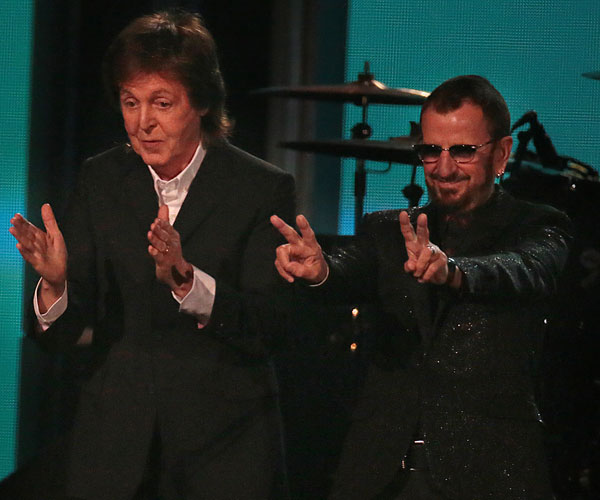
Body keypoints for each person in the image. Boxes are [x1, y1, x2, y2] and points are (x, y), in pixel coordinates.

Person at [10, 10, 295, 500]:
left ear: (202, 101)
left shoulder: (261, 189)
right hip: (114, 449)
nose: (143, 123)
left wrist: (188, 281)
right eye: (130, 102)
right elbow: (61, 337)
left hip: (224, 449)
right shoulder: (102, 179)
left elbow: (271, 328)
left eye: (162, 103)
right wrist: (57, 287)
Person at [271, 75, 572, 499]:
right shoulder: (390, 230)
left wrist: (454, 271)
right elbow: (344, 274)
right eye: (431, 151)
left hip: (489, 476)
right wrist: (319, 270)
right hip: (379, 473)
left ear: (502, 153)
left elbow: (522, 269)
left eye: (463, 151)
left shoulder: (539, 226)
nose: (444, 168)